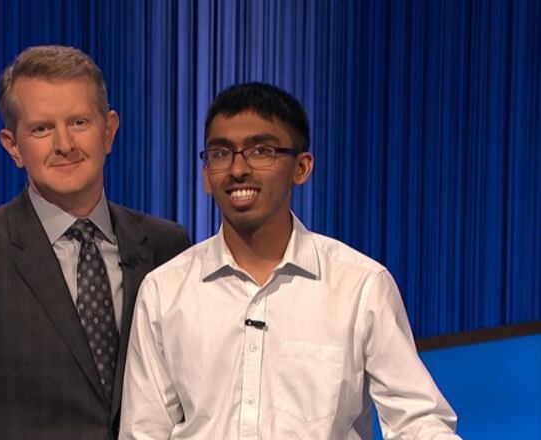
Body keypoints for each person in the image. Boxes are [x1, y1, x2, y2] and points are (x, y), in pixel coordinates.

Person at [120, 82, 460, 439]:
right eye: (221, 153)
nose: (238, 169)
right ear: (206, 174)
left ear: (301, 167)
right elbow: (143, 432)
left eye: (260, 150)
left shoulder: (360, 286)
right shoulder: (164, 290)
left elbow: (418, 421)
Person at [0, 45, 190, 440]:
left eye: (79, 122)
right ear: (13, 146)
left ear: (109, 130)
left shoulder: (166, 244)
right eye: (41, 129)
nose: (64, 144)